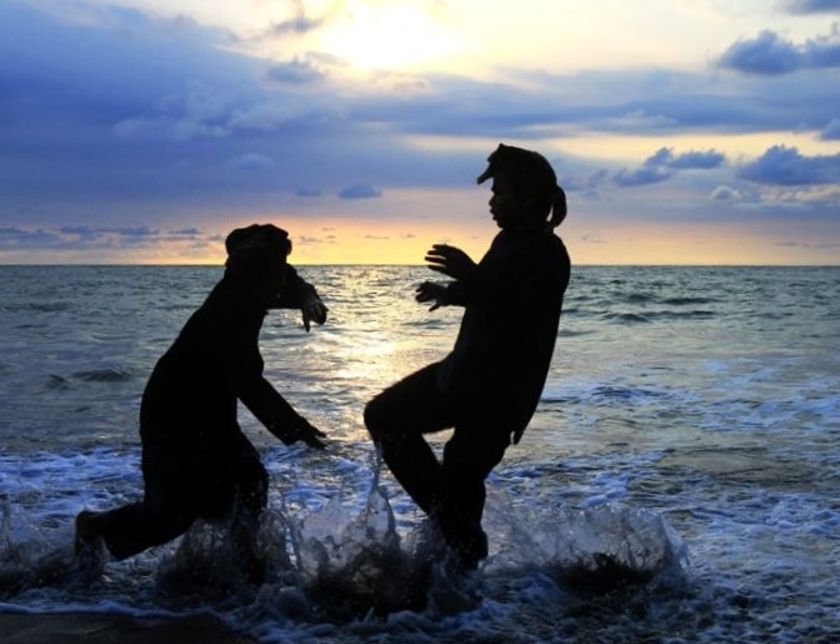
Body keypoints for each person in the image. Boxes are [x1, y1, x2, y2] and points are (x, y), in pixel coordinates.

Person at [75, 223, 329, 575]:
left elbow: (294, 285)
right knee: (172, 513)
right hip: (172, 409)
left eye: (277, 269)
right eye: (268, 273)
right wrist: (295, 428)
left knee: (249, 484)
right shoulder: (231, 305)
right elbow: (247, 382)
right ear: (239, 271)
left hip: (213, 407)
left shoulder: (267, 279)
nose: (277, 283)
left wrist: (309, 301)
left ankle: (241, 568)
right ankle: (95, 527)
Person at [364, 143, 571, 572]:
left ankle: (459, 563)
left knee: (460, 475)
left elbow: (517, 310)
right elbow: (493, 291)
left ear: (529, 197)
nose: (491, 201)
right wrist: (453, 292)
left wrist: (468, 275)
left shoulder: (548, 253)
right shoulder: (509, 240)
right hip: (463, 376)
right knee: (385, 417)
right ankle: (456, 537)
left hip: (498, 395)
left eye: (500, 192)